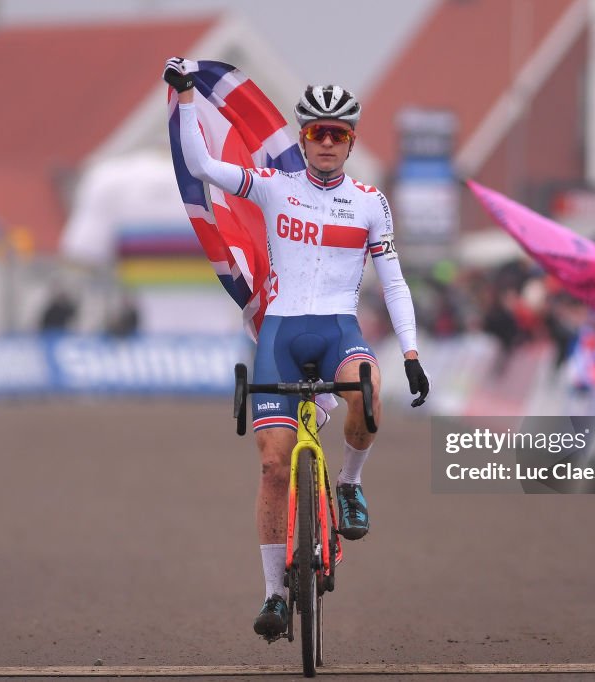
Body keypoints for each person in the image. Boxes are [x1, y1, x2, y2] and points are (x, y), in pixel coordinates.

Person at [163, 58, 430, 638]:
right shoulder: (274, 186)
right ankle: (274, 595)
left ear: (351, 141)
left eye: (338, 134)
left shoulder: (369, 202)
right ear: (303, 138)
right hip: (282, 334)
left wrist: (410, 353)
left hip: (338, 329)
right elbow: (203, 164)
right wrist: (186, 97)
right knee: (271, 466)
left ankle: (351, 483)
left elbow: (394, 282)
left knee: (367, 388)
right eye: (317, 133)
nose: (327, 143)